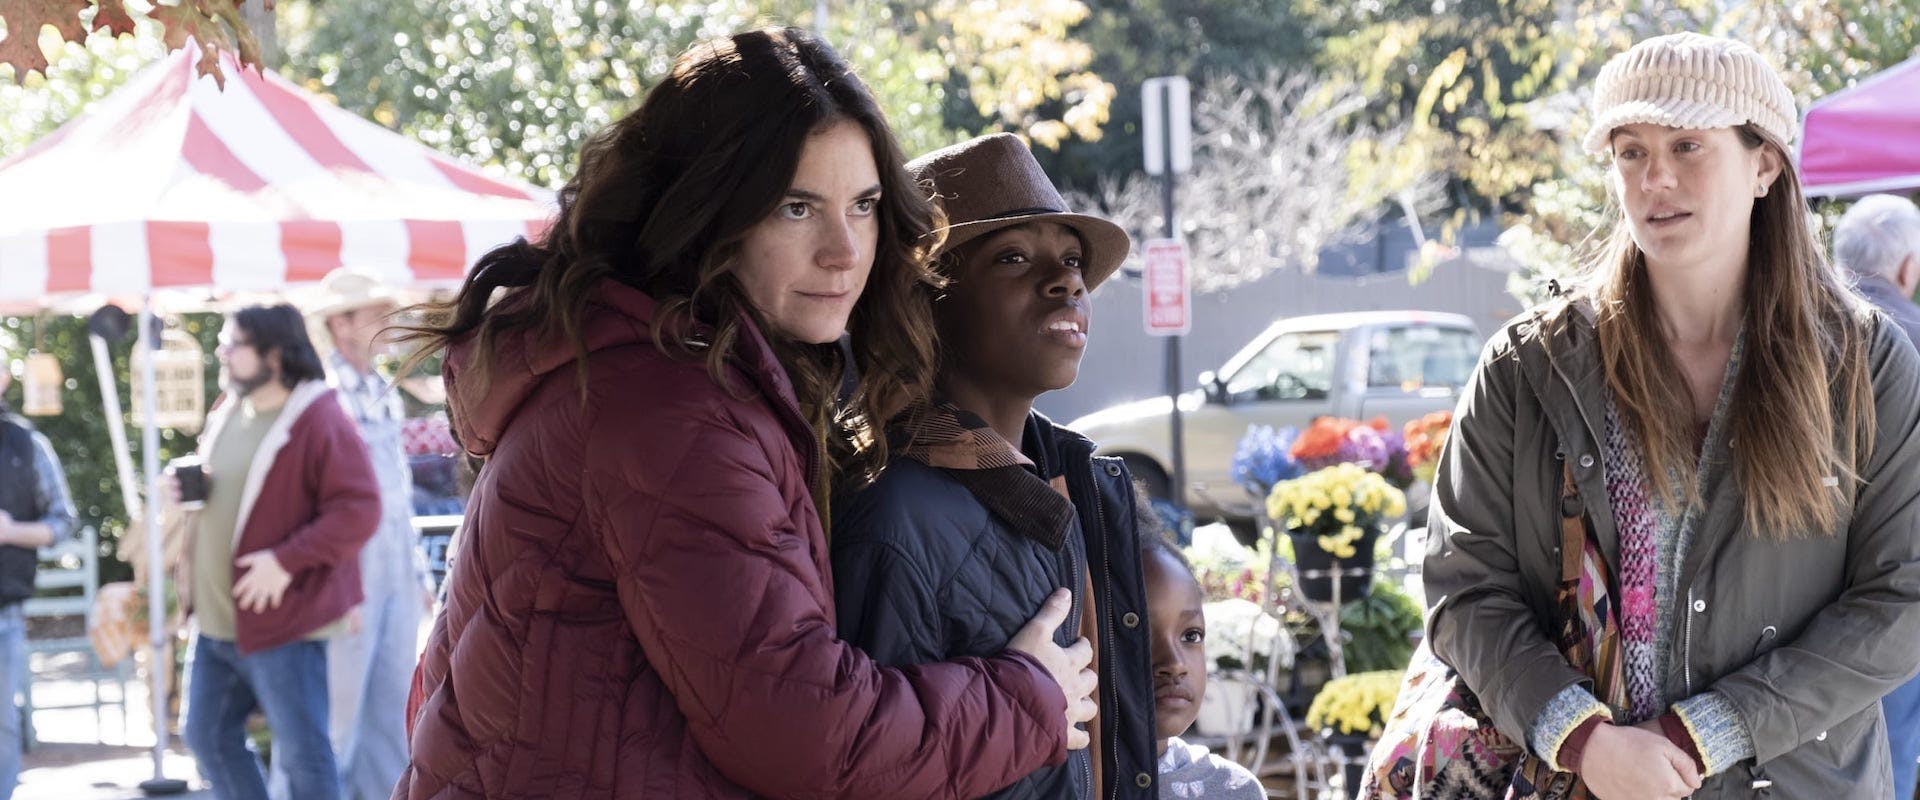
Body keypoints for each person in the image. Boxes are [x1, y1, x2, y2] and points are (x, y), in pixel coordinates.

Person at [394, 28, 1098, 799]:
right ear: (705, 213)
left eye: (862, 206)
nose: (844, 251)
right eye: (796, 208)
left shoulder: (657, 375)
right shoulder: (670, 413)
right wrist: (1029, 696)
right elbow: (805, 734)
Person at [1416, 32, 1920, 799]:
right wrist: (1580, 737)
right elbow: (1465, 588)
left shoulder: (1863, 363)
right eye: (1630, 150)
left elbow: (1904, 594)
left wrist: (1714, 728)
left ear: (1764, 164)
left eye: (1688, 145)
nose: (1655, 177)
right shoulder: (1526, 367)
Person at [831, 132, 1153, 799]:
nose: (1066, 280)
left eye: (1071, 260)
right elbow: (876, 773)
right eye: (1012, 258)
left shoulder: (1079, 484)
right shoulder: (895, 519)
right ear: (925, 304)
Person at [170, 304, 381, 800]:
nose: (222, 352)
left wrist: (286, 561)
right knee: (206, 737)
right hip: (217, 624)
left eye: (234, 343)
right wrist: (188, 486)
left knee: (305, 756)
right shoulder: (228, 410)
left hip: (284, 625)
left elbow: (360, 509)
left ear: (275, 354)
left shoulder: (320, 417)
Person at [269, 268, 431, 800]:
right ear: (341, 324)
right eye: (375, 311)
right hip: (343, 578)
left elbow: (397, 494)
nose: (389, 321)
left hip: (394, 575)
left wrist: (415, 570)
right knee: (329, 723)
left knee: (391, 718)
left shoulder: (383, 391)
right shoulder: (319, 397)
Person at [1834, 193, 1920, 800]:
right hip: (1902, 584)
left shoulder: (1781, 337)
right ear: (1909, 269)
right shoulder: (1912, 337)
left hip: (1797, 587)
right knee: (1893, 738)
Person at [0, 355, 79, 800]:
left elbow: (62, 519)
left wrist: (13, 531)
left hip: (4, 610)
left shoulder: (27, 445)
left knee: (2, 727)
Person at [1140, 527, 1263, 800]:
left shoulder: (1232, 790)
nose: (1174, 663)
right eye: (1140, 634)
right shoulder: (1051, 785)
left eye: (1191, 635)